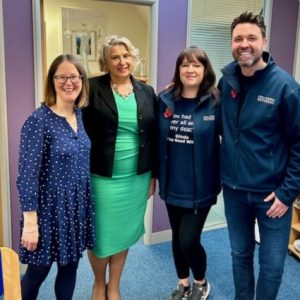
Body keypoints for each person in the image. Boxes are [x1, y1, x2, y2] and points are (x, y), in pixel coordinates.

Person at [218, 12, 300, 300]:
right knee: (239, 254)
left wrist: (287, 193)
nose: (244, 44)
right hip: (235, 191)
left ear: (264, 41)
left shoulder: (285, 86)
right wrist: (178, 93)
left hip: (272, 197)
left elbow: (299, 144)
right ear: (231, 43)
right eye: (238, 38)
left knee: (272, 264)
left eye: (251, 37)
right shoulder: (226, 80)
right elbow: (214, 121)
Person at [82, 35, 156, 300]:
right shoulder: (90, 88)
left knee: (123, 234)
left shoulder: (146, 91)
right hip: (102, 177)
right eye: (115, 57)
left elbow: (153, 135)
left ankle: (114, 285)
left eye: (126, 56)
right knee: (102, 236)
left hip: (137, 177)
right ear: (106, 61)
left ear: (133, 58)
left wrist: (153, 176)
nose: (122, 61)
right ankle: (98, 283)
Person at [17, 54, 95, 300]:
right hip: (47, 212)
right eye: (62, 76)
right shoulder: (38, 121)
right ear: (52, 81)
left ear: (82, 80)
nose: (68, 82)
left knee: (70, 268)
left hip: (74, 209)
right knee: (37, 273)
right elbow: (27, 177)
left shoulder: (79, 116)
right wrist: (30, 225)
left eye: (74, 76)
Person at [157, 47, 221, 300]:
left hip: (201, 187)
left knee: (188, 240)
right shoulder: (165, 99)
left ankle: (201, 283)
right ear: (178, 69)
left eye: (196, 65)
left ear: (205, 70)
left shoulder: (216, 102)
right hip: (172, 183)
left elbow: (231, 140)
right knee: (176, 237)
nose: (190, 70)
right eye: (185, 65)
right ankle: (183, 284)